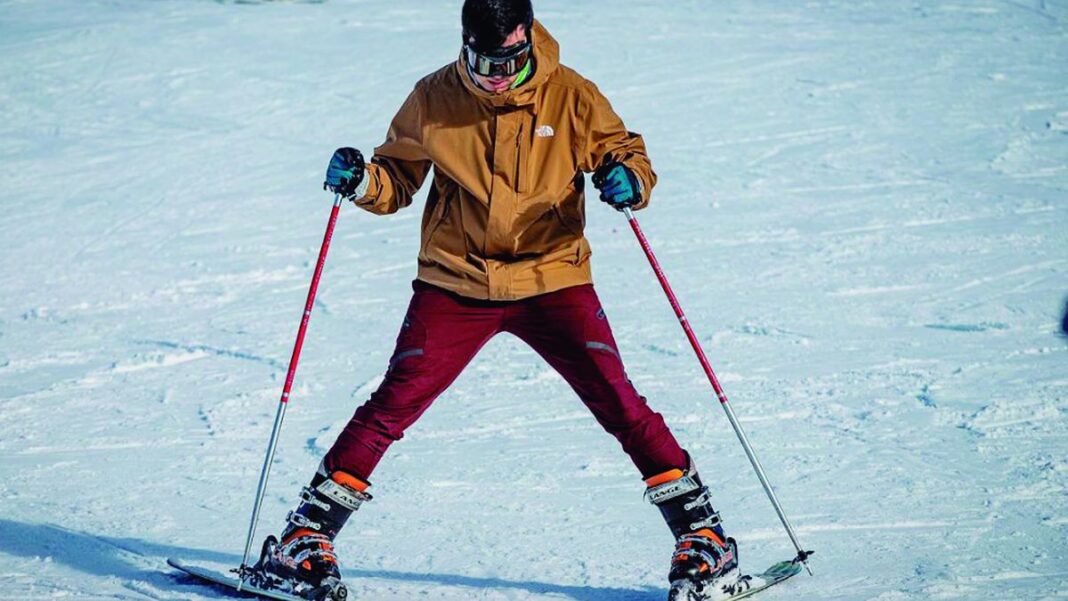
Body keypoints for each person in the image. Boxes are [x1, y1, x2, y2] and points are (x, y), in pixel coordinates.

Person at [258, 1, 742, 599]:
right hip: (456, 281)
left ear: (527, 41)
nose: (493, 74)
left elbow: (628, 154)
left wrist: (629, 178)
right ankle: (306, 536)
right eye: (481, 60)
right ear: (465, 42)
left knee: (617, 399)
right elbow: (397, 179)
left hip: (553, 277)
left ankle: (703, 537)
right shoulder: (434, 97)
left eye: (507, 60)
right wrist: (363, 181)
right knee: (394, 403)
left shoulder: (572, 96)